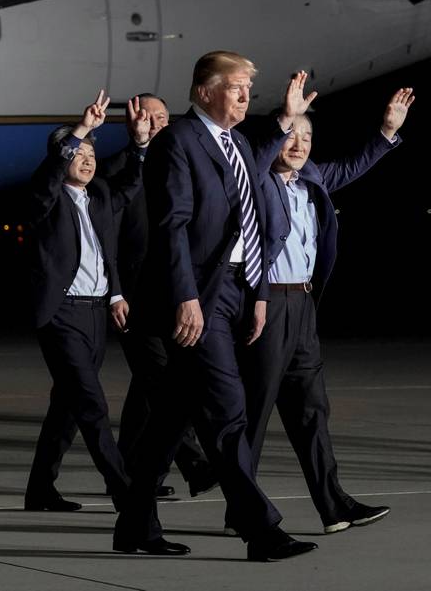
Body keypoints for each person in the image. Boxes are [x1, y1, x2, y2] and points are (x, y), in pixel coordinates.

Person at [114, 52, 318, 560]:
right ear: (204, 91)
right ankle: (260, 531)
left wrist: (258, 294)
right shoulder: (178, 142)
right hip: (197, 294)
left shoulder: (237, 142)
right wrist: (186, 297)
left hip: (233, 289)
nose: (246, 96)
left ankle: (135, 525)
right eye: (236, 87)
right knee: (228, 412)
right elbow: (172, 227)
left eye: (250, 87)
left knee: (170, 419)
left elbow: (250, 184)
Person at [240, 87, 415, 534]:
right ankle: (241, 508)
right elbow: (253, 165)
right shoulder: (256, 181)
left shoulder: (311, 178)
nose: (298, 145)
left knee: (312, 411)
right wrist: (284, 116)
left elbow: (352, 166)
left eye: (306, 137)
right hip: (267, 302)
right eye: (291, 135)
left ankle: (333, 506)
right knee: (254, 413)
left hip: (302, 303)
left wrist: (387, 131)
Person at [21, 90, 159, 521]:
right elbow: (48, 177)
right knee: (92, 404)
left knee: (66, 405)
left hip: (97, 312)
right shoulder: (44, 197)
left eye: (90, 153)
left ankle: (40, 488)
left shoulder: (98, 195)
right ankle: (127, 494)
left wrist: (138, 146)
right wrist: (81, 129)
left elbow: (130, 185)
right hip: (60, 313)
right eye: (78, 153)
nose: (87, 159)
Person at [99, 93, 218, 500]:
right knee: (161, 380)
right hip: (134, 294)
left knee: (151, 387)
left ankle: (134, 469)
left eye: (163, 117)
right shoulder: (119, 165)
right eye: (146, 117)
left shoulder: (188, 164)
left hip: (180, 290)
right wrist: (139, 146)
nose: (155, 123)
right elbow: (107, 229)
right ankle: (195, 464)